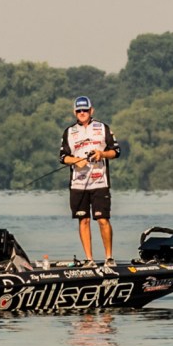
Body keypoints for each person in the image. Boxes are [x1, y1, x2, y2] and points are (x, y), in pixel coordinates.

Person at [58, 95, 120, 267]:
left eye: (85, 110)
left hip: (100, 182)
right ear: (74, 112)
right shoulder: (69, 132)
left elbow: (116, 151)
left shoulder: (102, 128)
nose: (82, 113)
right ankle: (89, 259)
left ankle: (109, 258)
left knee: (102, 220)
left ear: (91, 110)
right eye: (79, 110)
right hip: (78, 184)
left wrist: (102, 154)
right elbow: (62, 157)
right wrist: (75, 160)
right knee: (83, 220)